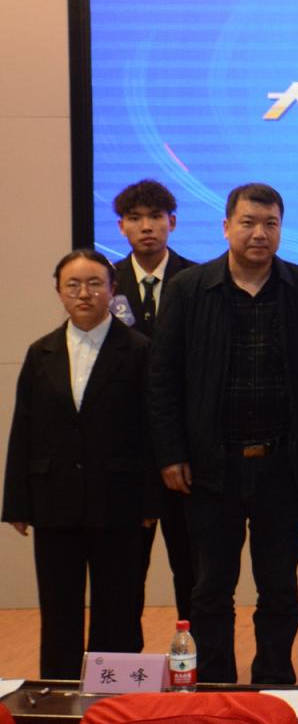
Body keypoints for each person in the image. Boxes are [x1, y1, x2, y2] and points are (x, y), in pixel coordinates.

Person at [148, 183, 298, 684]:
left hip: (283, 463)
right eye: (248, 222)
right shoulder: (188, 288)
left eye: (270, 224)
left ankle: (274, 678)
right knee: (211, 587)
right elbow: (163, 378)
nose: (259, 233)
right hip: (212, 466)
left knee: (280, 587)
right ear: (226, 226)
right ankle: (214, 681)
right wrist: (171, 453)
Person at [3, 251, 153, 679]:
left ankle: (115, 692)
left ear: (113, 290)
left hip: (119, 499)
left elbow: (151, 430)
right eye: (73, 285)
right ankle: (59, 690)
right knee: (58, 605)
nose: (84, 293)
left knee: (119, 603)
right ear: (59, 292)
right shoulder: (41, 352)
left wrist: (150, 500)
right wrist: (17, 503)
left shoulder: (139, 350)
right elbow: (23, 428)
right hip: (55, 499)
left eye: (94, 284)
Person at [109, 179, 195, 625]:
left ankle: (195, 656)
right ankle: (123, 658)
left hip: (186, 448)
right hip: (126, 450)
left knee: (192, 569)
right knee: (125, 571)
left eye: (156, 217)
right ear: (121, 226)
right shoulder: (105, 283)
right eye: (135, 218)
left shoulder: (198, 279)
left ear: (172, 222)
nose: (146, 227)